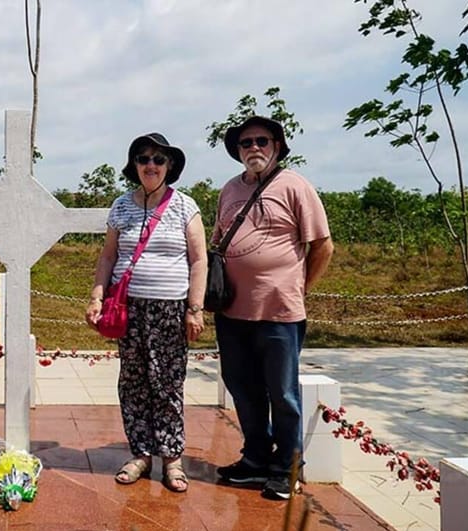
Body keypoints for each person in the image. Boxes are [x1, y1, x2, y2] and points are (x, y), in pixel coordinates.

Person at [211, 116, 334, 500]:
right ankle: (256, 459)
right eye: (246, 142)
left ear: (277, 146)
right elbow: (218, 240)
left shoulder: (295, 186)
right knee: (242, 389)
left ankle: (288, 467)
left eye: (262, 141)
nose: (254, 148)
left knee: (282, 394)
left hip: (280, 314)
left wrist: (299, 288)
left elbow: (323, 247)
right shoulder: (230, 190)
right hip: (233, 313)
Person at [85, 133, 208, 493]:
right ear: (134, 165)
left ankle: (172, 458)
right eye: (143, 159)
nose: (150, 165)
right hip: (129, 309)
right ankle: (141, 452)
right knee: (134, 383)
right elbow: (108, 256)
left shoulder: (185, 206)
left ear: (169, 166)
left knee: (167, 384)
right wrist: (96, 296)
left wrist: (195, 308)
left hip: (170, 309)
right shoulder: (121, 206)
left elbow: (199, 259)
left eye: (158, 159)